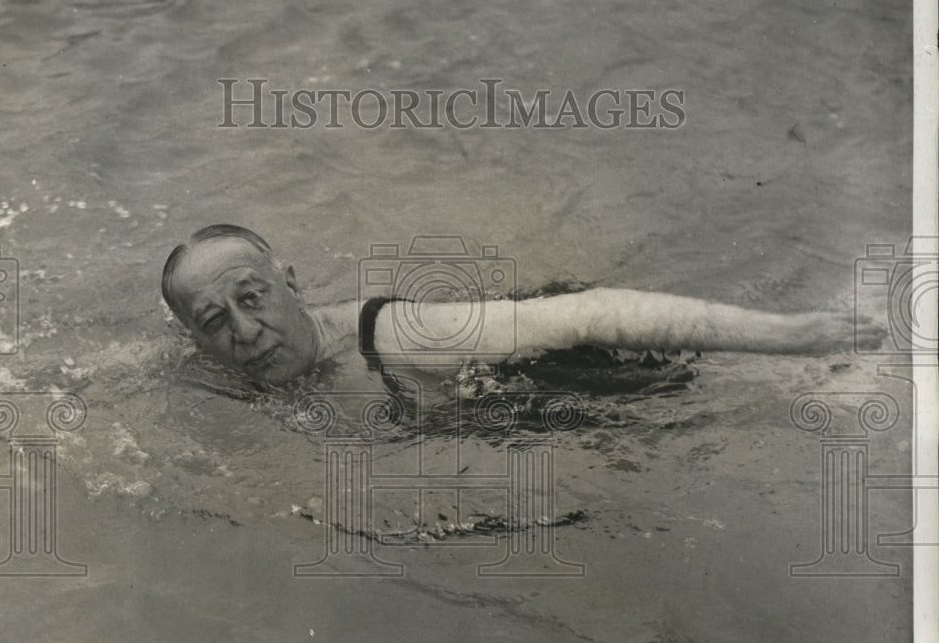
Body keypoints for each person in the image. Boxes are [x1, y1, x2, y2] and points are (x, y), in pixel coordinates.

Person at [161, 224, 885, 389]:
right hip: (488, 395)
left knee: (746, 386)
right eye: (216, 322)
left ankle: (832, 336)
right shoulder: (213, 370)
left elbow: (581, 317)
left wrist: (794, 335)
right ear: (195, 339)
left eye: (252, 299)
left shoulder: (395, 334)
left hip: (579, 359)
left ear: (290, 283)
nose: (246, 332)